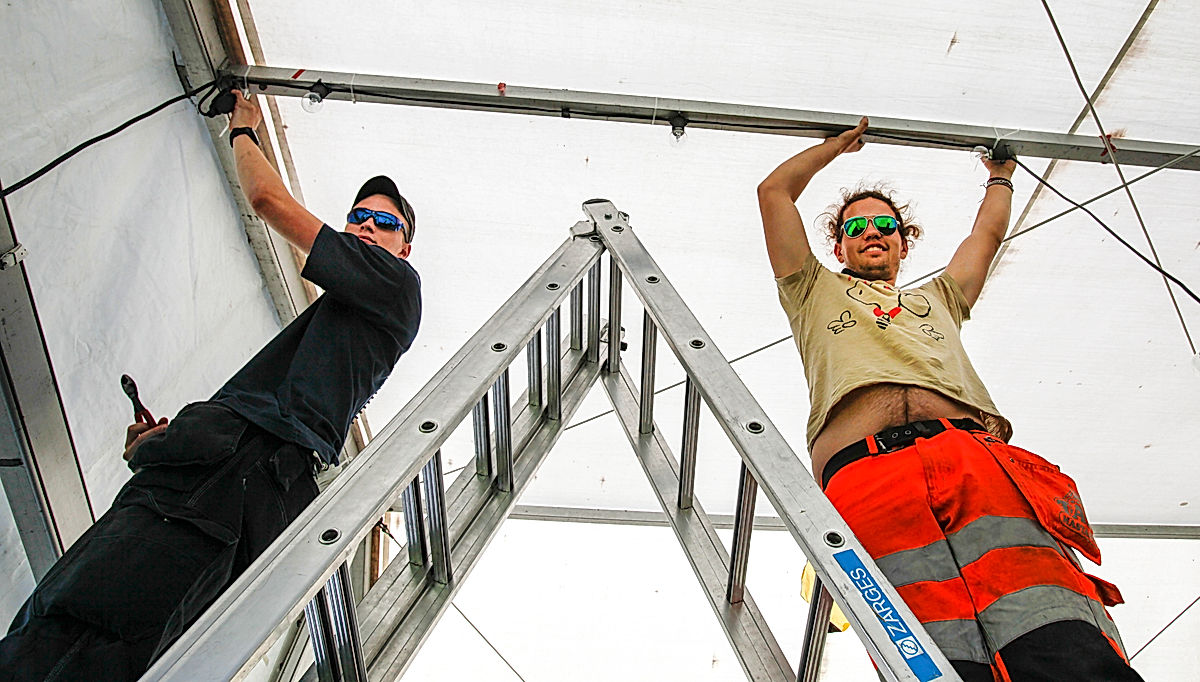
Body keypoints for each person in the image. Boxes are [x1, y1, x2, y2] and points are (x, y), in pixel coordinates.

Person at [0, 91, 422, 681]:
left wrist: (243, 128)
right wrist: (164, 449)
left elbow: (266, 198)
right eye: (358, 216)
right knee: (51, 620)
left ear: (405, 247)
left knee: (95, 637)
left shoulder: (398, 287)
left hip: (241, 474)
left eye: (384, 223)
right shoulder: (338, 324)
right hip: (218, 473)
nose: (365, 228)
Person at [758, 117, 1142, 681]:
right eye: (857, 224)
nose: (873, 232)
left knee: (1048, 614)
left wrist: (1001, 178)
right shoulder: (811, 289)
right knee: (924, 644)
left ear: (903, 241)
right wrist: (833, 149)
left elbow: (983, 240)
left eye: (885, 224)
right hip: (866, 473)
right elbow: (773, 193)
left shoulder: (938, 296)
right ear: (837, 243)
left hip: (972, 459)